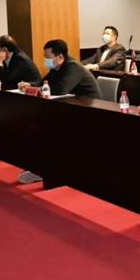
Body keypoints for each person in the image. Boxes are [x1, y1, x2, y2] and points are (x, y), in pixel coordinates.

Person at [17, 39, 102, 184]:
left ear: (60, 57)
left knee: (52, 127)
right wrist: (30, 85)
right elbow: (44, 83)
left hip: (89, 110)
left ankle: (48, 168)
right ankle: (42, 166)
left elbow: (61, 89)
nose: (45, 59)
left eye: (48, 56)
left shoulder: (72, 67)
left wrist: (38, 89)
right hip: (70, 106)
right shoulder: (57, 67)